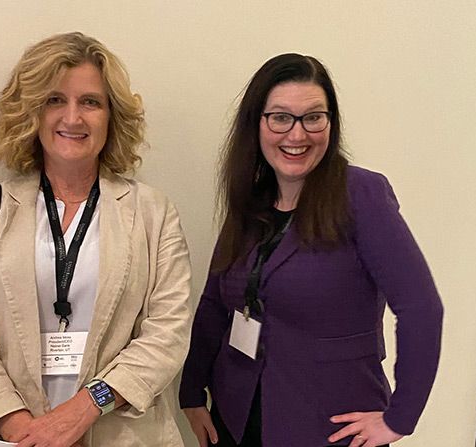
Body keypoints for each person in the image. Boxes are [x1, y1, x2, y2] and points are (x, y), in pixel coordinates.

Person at [0, 32, 192, 447]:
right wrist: (23, 430)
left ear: (111, 115)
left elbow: (168, 333)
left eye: (90, 102)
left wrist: (81, 412)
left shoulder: (153, 212)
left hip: (124, 434)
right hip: (14, 437)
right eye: (55, 99)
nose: (73, 118)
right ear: (31, 111)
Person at [179, 53, 444, 447]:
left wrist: (400, 417)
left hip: (327, 424)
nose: (297, 135)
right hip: (236, 414)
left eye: (313, 117)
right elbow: (216, 302)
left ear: (330, 123)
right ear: (257, 124)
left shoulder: (361, 194)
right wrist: (191, 392)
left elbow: (421, 307)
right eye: (280, 118)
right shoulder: (251, 199)